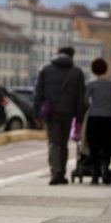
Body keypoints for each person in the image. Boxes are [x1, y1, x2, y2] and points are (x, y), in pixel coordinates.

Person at [33, 46, 86, 185]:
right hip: (68, 113)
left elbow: (38, 93)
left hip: (51, 113)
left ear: (57, 54)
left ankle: (55, 171)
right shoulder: (77, 72)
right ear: (72, 56)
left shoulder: (45, 69)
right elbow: (81, 98)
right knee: (63, 144)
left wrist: (36, 115)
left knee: (53, 143)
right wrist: (79, 119)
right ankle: (61, 172)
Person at [85, 58, 111, 184]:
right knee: (107, 144)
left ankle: (95, 172)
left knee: (93, 145)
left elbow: (85, 101)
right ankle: (105, 167)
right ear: (106, 68)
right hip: (109, 118)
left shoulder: (90, 84)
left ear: (93, 70)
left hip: (94, 118)